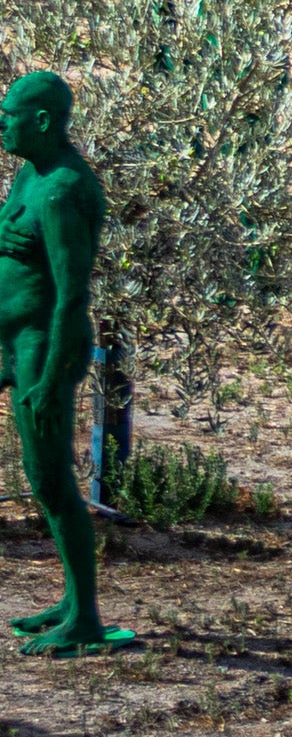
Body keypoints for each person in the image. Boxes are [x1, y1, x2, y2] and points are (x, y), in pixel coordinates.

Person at [0, 71, 133, 657]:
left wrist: (52, 381)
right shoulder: (31, 172)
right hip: (10, 341)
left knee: (50, 478)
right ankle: (70, 601)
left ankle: (84, 615)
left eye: (9, 114)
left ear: (43, 121)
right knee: (43, 476)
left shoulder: (60, 191)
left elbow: (71, 294)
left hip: (43, 346)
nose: (1, 123)